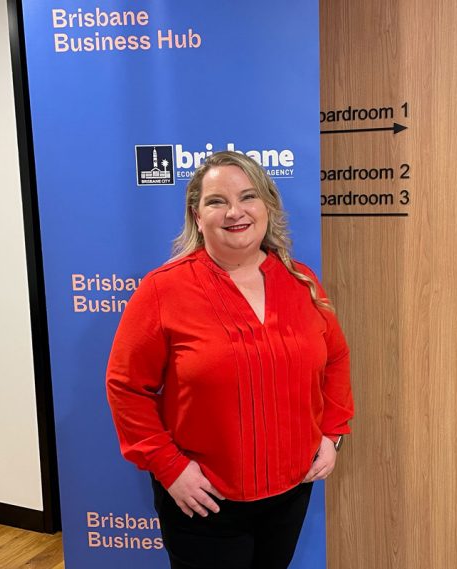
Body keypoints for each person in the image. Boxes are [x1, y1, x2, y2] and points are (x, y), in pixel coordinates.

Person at [106, 151, 354, 569]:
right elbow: (126, 387)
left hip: (290, 494)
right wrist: (171, 469)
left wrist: (332, 434)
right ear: (197, 216)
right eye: (216, 201)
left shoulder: (302, 280)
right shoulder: (163, 290)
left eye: (248, 197)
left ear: (268, 207)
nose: (234, 212)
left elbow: (336, 359)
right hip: (204, 500)